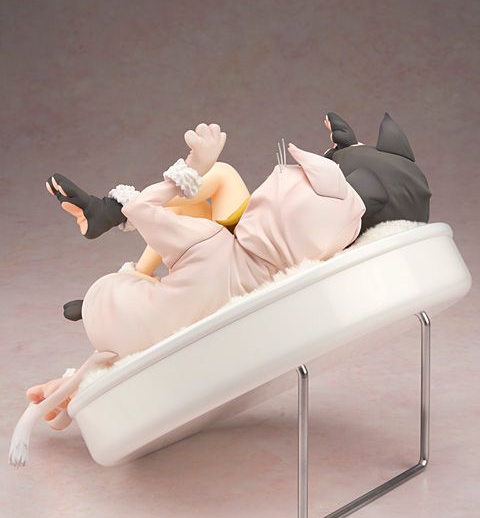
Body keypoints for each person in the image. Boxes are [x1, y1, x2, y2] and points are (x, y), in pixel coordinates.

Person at [25, 122, 366, 431]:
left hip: (113, 305)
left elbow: (140, 208)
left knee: (210, 186)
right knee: (194, 224)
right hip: (178, 341)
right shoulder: (285, 284)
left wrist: (193, 168)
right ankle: (71, 386)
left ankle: (108, 231)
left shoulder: (210, 241)